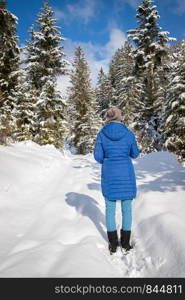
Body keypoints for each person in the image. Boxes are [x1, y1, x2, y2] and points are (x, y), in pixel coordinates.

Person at [93, 106, 140, 254]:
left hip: (110, 175)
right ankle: (125, 243)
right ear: (120, 117)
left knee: (110, 209)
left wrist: (109, 159)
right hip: (126, 175)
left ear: (108, 117)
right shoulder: (128, 134)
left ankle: (113, 244)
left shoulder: (101, 134)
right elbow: (135, 154)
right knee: (127, 209)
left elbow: (98, 157)